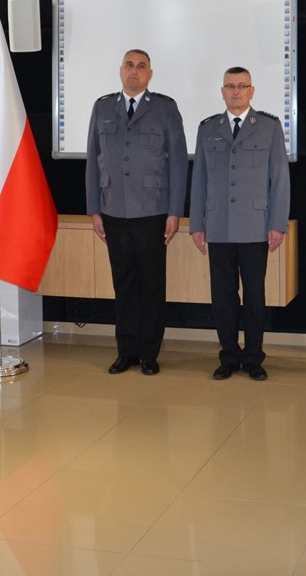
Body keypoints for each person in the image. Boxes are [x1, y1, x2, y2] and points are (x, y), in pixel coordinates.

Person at [85, 49, 187, 375]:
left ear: (149, 74)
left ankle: (149, 353)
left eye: (141, 66)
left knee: (152, 285)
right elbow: (93, 161)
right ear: (121, 70)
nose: (134, 71)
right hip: (113, 209)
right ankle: (126, 351)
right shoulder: (103, 107)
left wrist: (174, 211)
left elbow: (178, 163)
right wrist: (94, 209)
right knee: (124, 284)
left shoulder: (165, 108)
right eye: (129, 65)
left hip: (152, 211)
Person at [189, 66, 290, 381]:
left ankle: (254, 358)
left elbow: (280, 178)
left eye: (242, 86)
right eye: (230, 86)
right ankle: (229, 356)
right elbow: (199, 178)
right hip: (218, 225)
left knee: (255, 296)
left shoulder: (270, 127)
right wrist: (197, 223)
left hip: (255, 226)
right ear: (222, 92)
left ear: (252, 91)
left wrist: (277, 223)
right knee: (223, 296)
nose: (236, 91)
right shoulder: (208, 128)